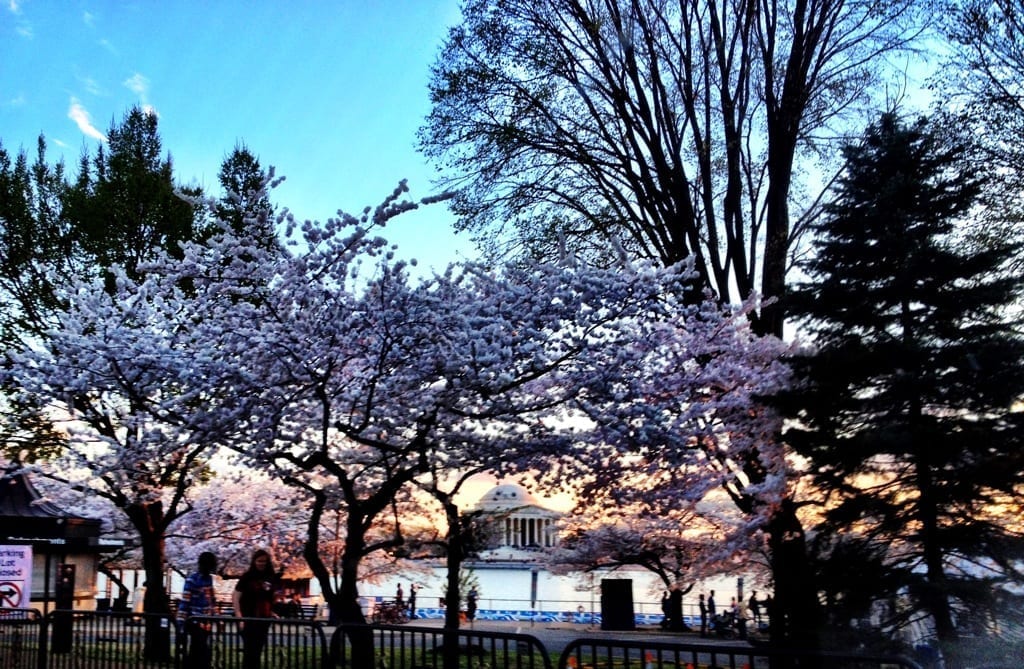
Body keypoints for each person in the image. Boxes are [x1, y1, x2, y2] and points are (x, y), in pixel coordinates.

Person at [233, 549, 280, 669]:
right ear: (254, 561)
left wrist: (272, 612)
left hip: (263, 619)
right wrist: (239, 616)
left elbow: (268, 598)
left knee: (258, 651)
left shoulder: (270, 577)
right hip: (248, 618)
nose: (262, 563)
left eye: (264, 561)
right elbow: (236, 596)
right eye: (259, 561)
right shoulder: (247, 577)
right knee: (249, 651)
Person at [178, 552, 217, 669]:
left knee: (198, 650)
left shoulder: (209, 579)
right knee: (200, 650)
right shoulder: (192, 580)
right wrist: (180, 622)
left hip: (206, 622)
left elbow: (210, 599)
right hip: (194, 621)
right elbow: (185, 601)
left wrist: (215, 613)